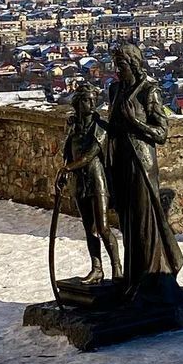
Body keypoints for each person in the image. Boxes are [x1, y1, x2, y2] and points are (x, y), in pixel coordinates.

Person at [106, 43, 183, 306]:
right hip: (120, 161)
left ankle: (152, 277)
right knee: (128, 221)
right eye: (116, 66)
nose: (117, 71)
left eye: (122, 65)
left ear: (134, 64)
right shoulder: (115, 90)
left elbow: (161, 133)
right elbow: (113, 124)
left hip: (141, 163)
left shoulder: (148, 91)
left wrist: (135, 122)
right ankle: (133, 279)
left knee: (144, 220)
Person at [59, 83, 122, 285]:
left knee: (103, 227)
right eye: (87, 99)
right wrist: (65, 171)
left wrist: (68, 168)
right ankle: (97, 269)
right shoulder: (73, 128)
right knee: (89, 229)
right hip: (79, 182)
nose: (92, 103)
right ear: (78, 102)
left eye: (94, 99)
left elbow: (90, 155)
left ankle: (117, 269)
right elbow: (67, 153)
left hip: (97, 180)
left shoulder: (100, 127)